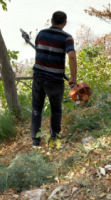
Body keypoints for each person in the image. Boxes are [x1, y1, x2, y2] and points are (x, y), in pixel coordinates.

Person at [31, 11, 77, 147]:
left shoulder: (41, 34)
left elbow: (39, 52)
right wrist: (73, 78)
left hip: (38, 77)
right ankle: (54, 140)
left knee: (36, 109)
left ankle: (35, 143)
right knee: (56, 110)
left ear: (51, 20)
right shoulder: (67, 38)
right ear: (65, 23)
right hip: (55, 80)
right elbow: (72, 56)